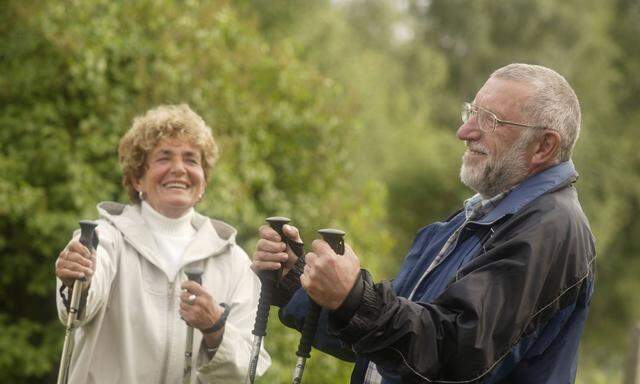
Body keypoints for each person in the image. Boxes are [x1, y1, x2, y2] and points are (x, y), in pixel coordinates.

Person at [252, 63, 595, 383]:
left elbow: (456, 354)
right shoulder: (469, 220)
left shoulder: (551, 229)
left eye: (489, 120)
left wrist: (355, 298)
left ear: (543, 146)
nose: (465, 131)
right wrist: (300, 282)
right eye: (471, 112)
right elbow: (386, 345)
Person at [55, 104, 270, 383]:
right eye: (164, 158)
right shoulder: (101, 239)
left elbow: (247, 369)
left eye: (191, 160)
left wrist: (215, 327)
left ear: (203, 181)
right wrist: (77, 279)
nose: (179, 169)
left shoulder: (235, 261)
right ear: (137, 178)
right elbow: (78, 305)